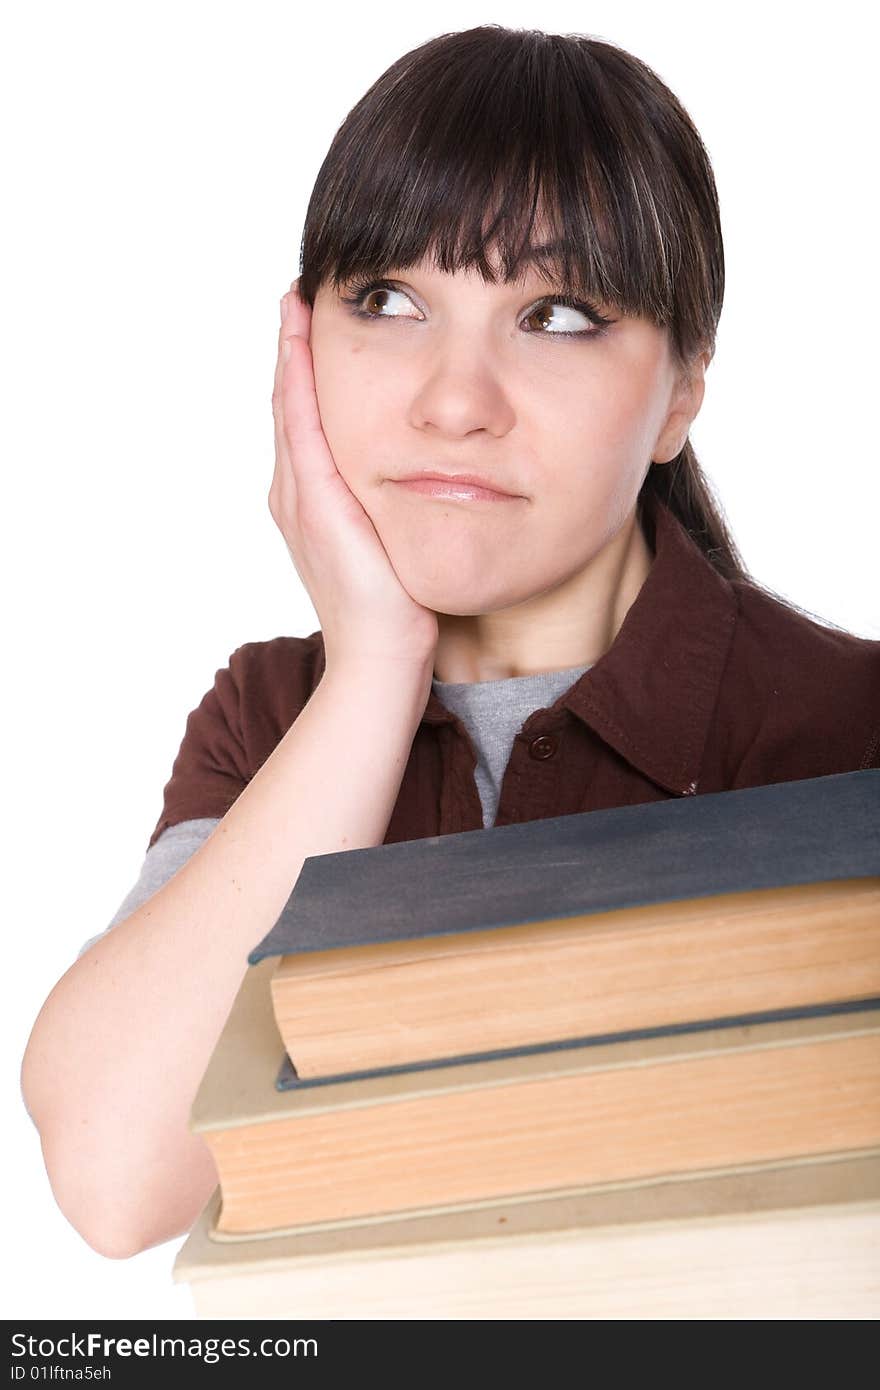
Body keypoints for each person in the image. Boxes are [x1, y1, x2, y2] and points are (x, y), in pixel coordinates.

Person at [20, 24, 879, 1260]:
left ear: (682, 388)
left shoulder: (846, 730)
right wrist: (371, 672)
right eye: (388, 300)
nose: (453, 400)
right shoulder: (273, 718)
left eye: (560, 315)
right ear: (300, 337)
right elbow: (113, 1180)